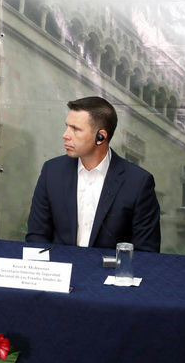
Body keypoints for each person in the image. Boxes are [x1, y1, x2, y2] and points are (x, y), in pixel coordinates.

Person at [26, 96, 161, 251]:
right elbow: (37, 236)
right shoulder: (52, 171)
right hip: (59, 271)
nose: (65, 135)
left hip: (110, 273)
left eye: (75, 129)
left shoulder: (138, 182)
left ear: (100, 137)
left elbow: (146, 251)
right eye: (67, 126)